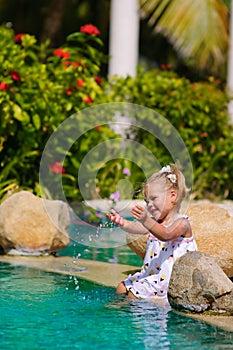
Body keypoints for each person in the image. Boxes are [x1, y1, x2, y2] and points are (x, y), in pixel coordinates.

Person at [106, 164, 197, 303]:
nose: (149, 204)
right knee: (121, 287)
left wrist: (146, 220)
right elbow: (135, 228)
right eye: (146, 201)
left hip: (170, 280)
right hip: (151, 276)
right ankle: (114, 317)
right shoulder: (155, 222)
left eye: (154, 198)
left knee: (133, 295)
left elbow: (166, 235)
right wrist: (122, 222)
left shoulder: (182, 223)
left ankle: (122, 317)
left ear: (173, 196)